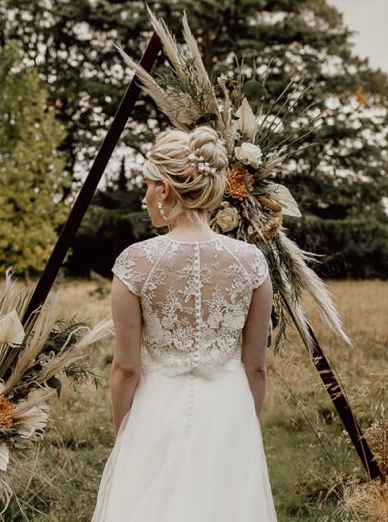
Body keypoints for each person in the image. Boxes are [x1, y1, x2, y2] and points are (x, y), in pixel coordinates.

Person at [91, 125, 278, 522]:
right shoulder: (252, 264)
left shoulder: (134, 264)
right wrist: (246, 422)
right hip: (229, 410)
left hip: (156, 412)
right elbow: (256, 366)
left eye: (147, 185)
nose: (143, 197)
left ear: (164, 190)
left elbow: (126, 369)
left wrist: (123, 435)